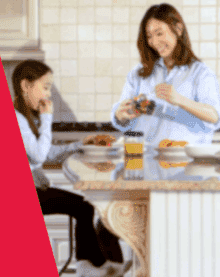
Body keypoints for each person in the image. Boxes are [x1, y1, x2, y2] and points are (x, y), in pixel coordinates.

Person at [12, 60, 131, 277]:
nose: (48, 94)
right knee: (83, 207)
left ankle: (93, 266)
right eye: (45, 87)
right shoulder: (17, 119)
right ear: (25, 86)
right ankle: (90, 267)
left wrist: (80, 144)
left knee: (83, 207)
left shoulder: (26, 118)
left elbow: (45, 153)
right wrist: (47, 118)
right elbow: (39, 155)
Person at [112, 3, 220, 147]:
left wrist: (179, 99)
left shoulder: (201, 73)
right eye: (149, 36)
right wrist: (120, 115)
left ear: (178, 29)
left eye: (159, 33)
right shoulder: (138, 74)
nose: (154, 42)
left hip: (185, 163)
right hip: (144, 162)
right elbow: (122, 120)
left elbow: (215, 117)